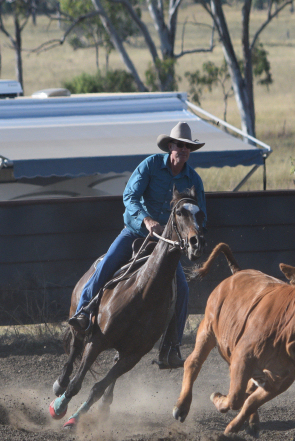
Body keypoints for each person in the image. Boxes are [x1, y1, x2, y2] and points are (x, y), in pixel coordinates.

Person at [68, 121, 207, 369]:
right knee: (107, 265)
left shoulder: (193, 180)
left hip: (166, 245)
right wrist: (147, 220)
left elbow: (201, 214)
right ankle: (83, 313)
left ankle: (171, 348)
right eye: (180, 145)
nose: (184, 149)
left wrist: (190, 232)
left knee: (182, 290)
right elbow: (129, 197)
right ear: (170, 147)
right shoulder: (151, 165)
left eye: (188, 146)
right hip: (135, 233)